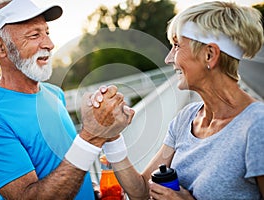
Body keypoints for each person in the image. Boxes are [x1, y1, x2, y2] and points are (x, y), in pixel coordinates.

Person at [90, 1, 264, 199]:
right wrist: (112, 137)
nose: (168, 58)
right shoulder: (186, 119)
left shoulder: (257, 125)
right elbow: (143, 191)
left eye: (176, 46)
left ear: (209, 55)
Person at [0, 0, 134, 199]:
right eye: (35, 35)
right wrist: (92, 136)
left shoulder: (55, 93)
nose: (49, 44)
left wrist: (91, 190)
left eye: (47, 32)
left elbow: (63, 165)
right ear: (0, 46)